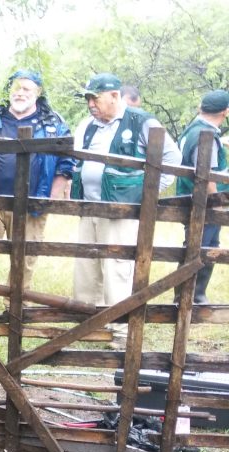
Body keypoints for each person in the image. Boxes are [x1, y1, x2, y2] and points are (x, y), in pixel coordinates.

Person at [70, 73, 182, 347]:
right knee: (86, 266)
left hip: (122, 210)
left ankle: (119, 330)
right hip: (90, 206)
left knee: (117, 268)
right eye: (88, 99)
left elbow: (172, 159)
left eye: (95, 98)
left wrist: (147, 191)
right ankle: (89, 323)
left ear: (115, 96)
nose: (91, 104)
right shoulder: (87, 126)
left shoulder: (142, 122)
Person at [0, 69, 74, 291]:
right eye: (16, 88)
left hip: (32, 204)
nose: (20, 93)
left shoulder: (52, 122)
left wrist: (49, 199)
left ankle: (13, 311)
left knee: (24, 260)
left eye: (26, 88)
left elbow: (66, 163)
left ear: (38, 93)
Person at [175, 89, 229, 304]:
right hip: (203, 203)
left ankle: (187, 296)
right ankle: (192, 296)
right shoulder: (205, 136)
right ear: (225, 111)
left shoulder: (191, 130)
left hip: (190, 198)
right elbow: (207, 177)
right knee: (203, 247)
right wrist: (217, 206)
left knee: (197, 245)